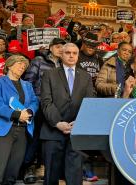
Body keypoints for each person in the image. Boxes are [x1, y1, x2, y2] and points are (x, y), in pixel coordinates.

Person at [40, 43, 94, 185]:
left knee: (74, 176)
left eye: (74, 53)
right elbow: (46, 101)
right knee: (51, 175)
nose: (71, 55)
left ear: (78, 56)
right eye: (68, 52)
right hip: (53, 130)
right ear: (61, 55)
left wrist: (80, 122)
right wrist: (58, 123)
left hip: (77, 131)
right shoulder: (49, 74)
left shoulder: (86, 76)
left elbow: (89, 103)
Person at [0, 55, 39, 185]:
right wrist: (16, 114)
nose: (22, 67)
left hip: (22, 131)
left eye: (24, 66)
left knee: (12, 174)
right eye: (19, 64)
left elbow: (35, 101)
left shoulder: (27, 85)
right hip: (0, 131)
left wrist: (29, 111)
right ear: (9, 66)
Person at [21, 38, 65, 183]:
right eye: (58, 47)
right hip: (39, 105)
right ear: (50, 48)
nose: (61, 50)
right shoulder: (39, 61)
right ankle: (27, 167)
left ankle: (44, 168)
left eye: (62, 47)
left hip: (56, 108)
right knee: (34, 137)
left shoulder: (64, 65)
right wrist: (34, 102)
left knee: (49, 139)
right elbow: (28, 82)